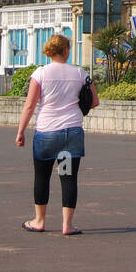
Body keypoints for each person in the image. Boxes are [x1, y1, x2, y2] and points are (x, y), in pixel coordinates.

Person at [15, 34, 99, 236]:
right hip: (71, 134)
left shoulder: (40, 74)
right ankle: (67, 225)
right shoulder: (80, 73)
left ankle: (39, 220)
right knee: (68, 177)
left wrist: (20, 132)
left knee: (42, 176)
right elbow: (95, 101)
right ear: (66, 51)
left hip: (46, 134)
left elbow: (29, 106)